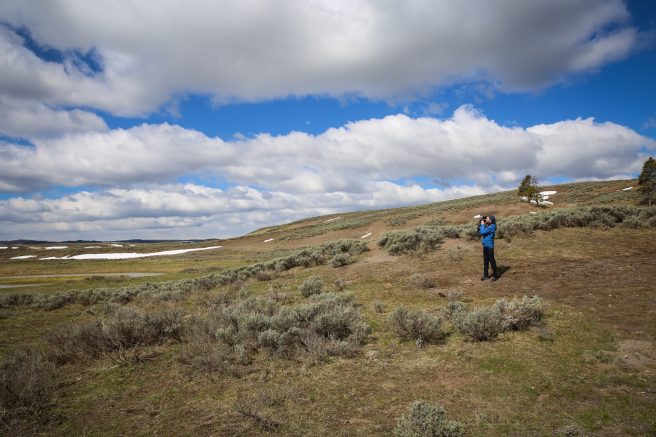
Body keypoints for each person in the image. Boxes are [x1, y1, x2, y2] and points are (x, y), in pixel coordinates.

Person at [479, 215, 499, 281]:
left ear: (491, 220)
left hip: (489, 246)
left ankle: (495, 275)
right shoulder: (489, 226)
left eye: (487, 218)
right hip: (485, 245)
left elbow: (482, 232)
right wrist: (482, 223)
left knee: (492, 261)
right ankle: (485, 275)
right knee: (486, 261)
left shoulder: (492, 226)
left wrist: (482, 225)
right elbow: (480, 230)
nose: (486, 219)